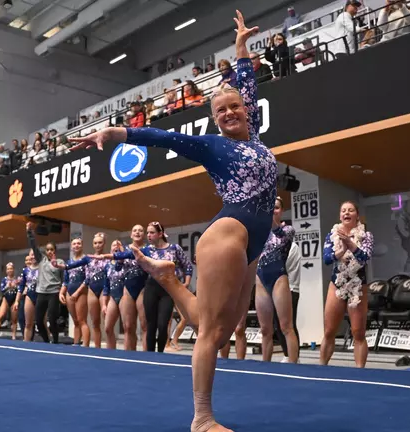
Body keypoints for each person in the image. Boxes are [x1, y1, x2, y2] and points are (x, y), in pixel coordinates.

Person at [68, 11, 277, 430]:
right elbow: (165, 137)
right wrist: (118, 134)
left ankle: (168, 277)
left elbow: (247, 84)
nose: (231, 112)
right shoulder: (212, 146)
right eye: (222, 110)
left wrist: (240, 49)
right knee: (210, 334)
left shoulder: (253, 137)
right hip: (229, 235)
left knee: (222, 325)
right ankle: (202, 418)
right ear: (215, 118)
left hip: (256, 242)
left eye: (235, 106)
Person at [109, 222, 193, 353]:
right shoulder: (148, 249)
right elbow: (128, 256)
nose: (149, 235)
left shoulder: (174, 248)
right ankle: (150, 354)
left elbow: (187, 265)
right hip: (151, 287)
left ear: (160, 234)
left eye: (151, 232)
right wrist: (109, 255)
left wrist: (186, 283)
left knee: (162, 324)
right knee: (150, 325)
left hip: (168, 289)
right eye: (147, 233)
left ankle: (160, 353)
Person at [320, 201, 374, 367]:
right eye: (343, 211)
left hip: (358, 286)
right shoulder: (332, 235)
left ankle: (360, 372)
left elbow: (365, 257)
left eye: (350, 210)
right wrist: (342, 250)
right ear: (340, 216)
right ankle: (321, 368)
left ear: (357, 215)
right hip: (337, 284)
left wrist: (351, 244)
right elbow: (327, 259)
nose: (346, 213)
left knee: (358, 332)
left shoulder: (366, 235)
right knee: (329, 331)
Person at [255, 198, 299, 363]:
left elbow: (278, 233)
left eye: (276, 208)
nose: (273, 210)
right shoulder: (260, 233)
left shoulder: (288, 230)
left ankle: (294, 367)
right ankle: (265, 367)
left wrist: (268, 218)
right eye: (270, 208)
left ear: (281, 211)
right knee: (265, 330)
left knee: (286, 327)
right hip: (260, 278)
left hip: (279, 277)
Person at [26, 222, 65, 344]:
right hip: (41, 293)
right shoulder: (41, 259)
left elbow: (64, 278)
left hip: (54, 293)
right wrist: (29, 232)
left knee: (52, 319)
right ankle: (47, 341)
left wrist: (61, 292)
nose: (49, 252)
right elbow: (34, 246)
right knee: (38, 321)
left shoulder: (60, 262)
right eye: (47, 250)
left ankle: (56, 340)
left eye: (51, 250)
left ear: (55, 251)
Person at [117, 225, 150, 351]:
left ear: (144, 234)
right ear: (131, 235)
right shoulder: (125, 250)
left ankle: (147, 356)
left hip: (144, 287)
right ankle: (129, 355)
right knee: (128, 326)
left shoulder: (148, 249)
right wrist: (119, 259)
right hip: (128, 288)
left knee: (144, 325)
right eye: (134, 230)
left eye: (140, 230)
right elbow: (117, 269)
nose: (137, 232)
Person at [77, 233, 110, 348]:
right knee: (95, 322)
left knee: (107, 323)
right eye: (95, 243)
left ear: (104, 243)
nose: (97, 245)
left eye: (100, 242)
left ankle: (110, 348)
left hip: (104, 289)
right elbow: (87, 278)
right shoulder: (89, 259)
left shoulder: (108, 258)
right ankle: (97, 348)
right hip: (92, 289)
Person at [59, 238, 92, 346]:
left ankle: (86, 345)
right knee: (75, 321)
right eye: (74, 244)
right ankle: (76, 343)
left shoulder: (86, 260)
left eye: (78, 243)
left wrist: (77, 292)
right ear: (71, 247)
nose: (76, 245)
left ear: (82, 245)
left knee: (82, 320)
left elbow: (88, 279)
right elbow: (66, 280)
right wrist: (61, 293)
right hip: (69, 292)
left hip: (81, 291)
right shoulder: (69, 262)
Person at [277, 241, 302, 362]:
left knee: (289, 325)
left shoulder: (292, 247)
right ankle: (287, 353)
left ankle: (294, 356)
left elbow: (281, 267)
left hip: (291, 288)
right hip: (277, 289)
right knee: (278, 324)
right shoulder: (272, 247)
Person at [103, 240, 126, 349]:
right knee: (108, 328)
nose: (116, 247)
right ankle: (111, 352)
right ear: (110, 249)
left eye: (119, 245)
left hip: (125, 296)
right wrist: (104, 304)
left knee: (128, 328)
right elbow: (106, 286)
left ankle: (129, 353)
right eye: (114, 245)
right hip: (113, 296)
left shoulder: (127, 262)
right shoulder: (107, 266)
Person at [0, 263, 21, 340]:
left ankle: (13, 335)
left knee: (14, 319)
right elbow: (2, 290)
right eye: (8, 269)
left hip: (14, 299)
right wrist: (7, 286)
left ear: (13, 269)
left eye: (11, 268)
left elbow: (20, 290)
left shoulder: (17, 279)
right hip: (6, 299)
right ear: (6, 270)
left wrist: (15, 285)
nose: (9, 270)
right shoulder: (4, 279)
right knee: (1, 315)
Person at [19, 252, 40, 342]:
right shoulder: (25, 271)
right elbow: (21, 286)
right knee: (28, 323)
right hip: (30, 295)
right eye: (31, 254)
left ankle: (49, 344)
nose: (33, 256)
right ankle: (26, 343)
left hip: (41, 295)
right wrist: (16, 301)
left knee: (41, 323)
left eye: (35, 254)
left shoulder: (42, 268)